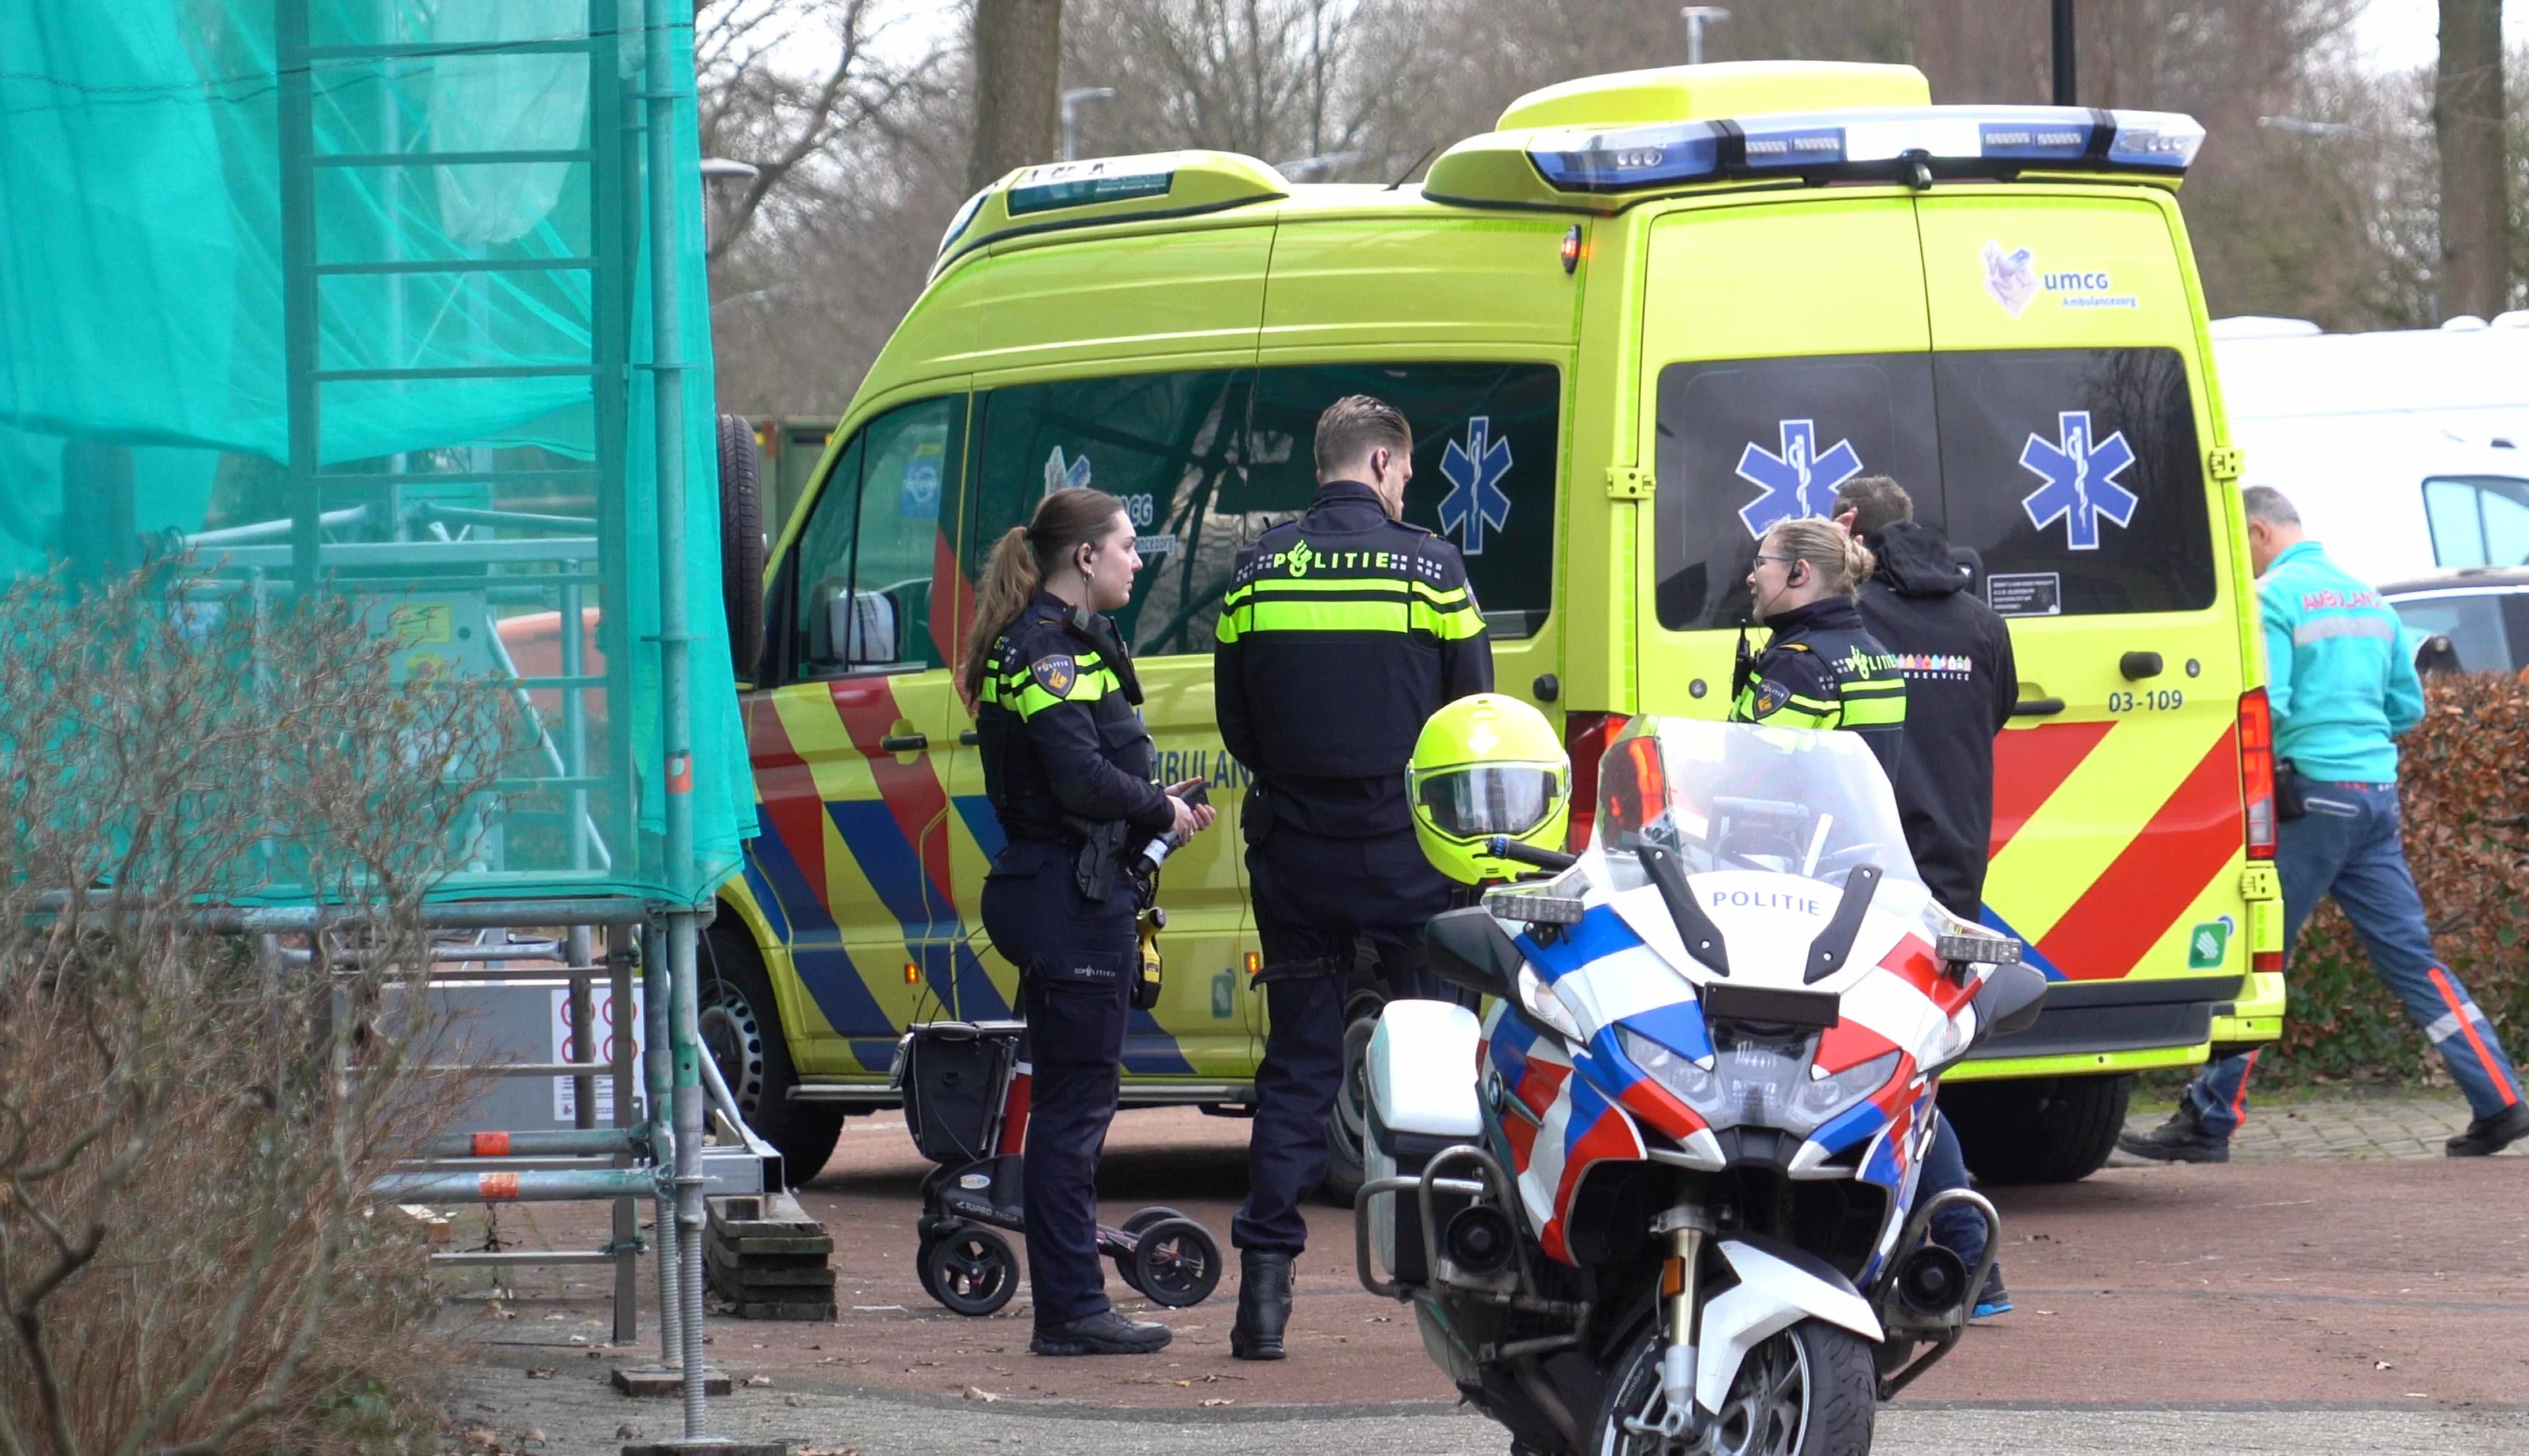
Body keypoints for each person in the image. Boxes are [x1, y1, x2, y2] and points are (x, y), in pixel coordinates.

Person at [2121, 485, 2529, 1163]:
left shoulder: (2273, 597)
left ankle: (2208, 1120)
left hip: (2311, 799)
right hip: (2374, 796)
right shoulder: (2370, 600)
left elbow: (2270, 703)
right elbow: (2409, 709)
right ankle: (2499, 1098)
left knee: (2259, 956)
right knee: (2413, 961)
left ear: (2258, 532)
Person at [1214, 394, 1492, 1361]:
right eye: (1406, 470)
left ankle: (1261, 1297)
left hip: (1296, 851)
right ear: (1381, 464)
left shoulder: (1255, 567)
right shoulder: (1431, 564)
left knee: (1298, 1068)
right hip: (1411, 852)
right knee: (1443, 1062)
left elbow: (1237, 724)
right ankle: (1458, 1278)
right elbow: (1473, 716)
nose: (1406, 485)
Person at [961, 485, 1218, 1357]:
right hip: (1066, 898)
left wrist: (1153, 805)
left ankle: (1071, 1305)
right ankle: (1071, 1311)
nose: (1138, 560)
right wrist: (1157, 809)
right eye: (1128, 545)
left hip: (1066, 887)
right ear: (1085, 557)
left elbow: (1086, 773)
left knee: (1072, 1107)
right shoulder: (1047, 653)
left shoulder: (1065, 642)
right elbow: (1075, 777)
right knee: (1073, 1114)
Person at [1732, 514, 2009, 1317]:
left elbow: (1764, 790)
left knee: (1850, 1080)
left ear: (1799, 577)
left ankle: (1950, 1259)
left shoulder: (1801, 668)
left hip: (1797, 903)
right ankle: (1967, 1259)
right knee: (1894, 1072)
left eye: (1762, 563)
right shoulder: (1868, 654)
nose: (1751, 576)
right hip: (1865, 890)